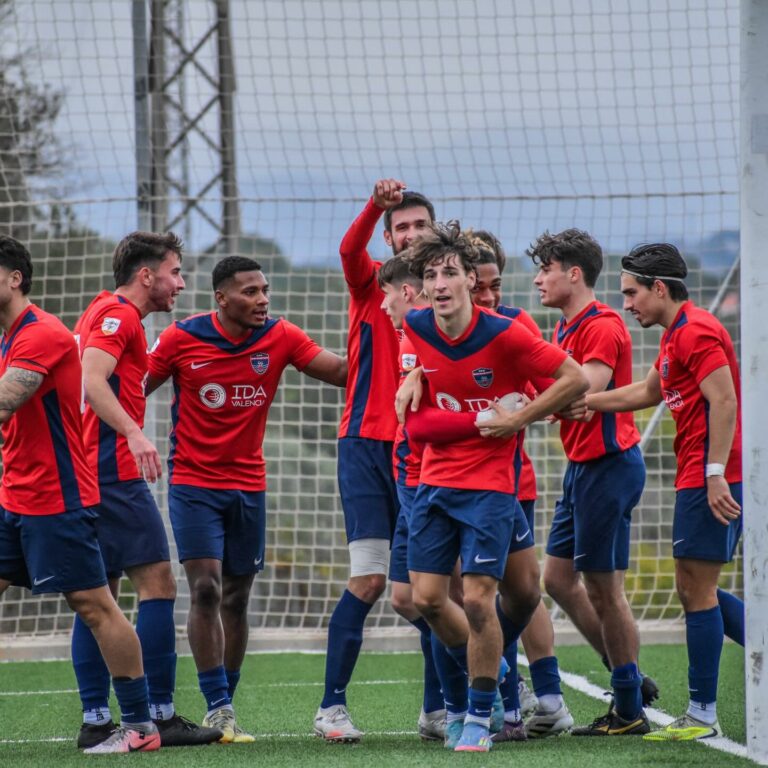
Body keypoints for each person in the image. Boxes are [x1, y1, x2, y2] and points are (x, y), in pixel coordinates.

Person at [400, 222, 588, 752]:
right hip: (433, 482)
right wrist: (416, 383)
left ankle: (478, 715)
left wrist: (519, 417)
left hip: (491, 486)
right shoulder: (416, 327)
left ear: (469, 281)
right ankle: (496, 685)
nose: (440, 282)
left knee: (485, 600)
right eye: (432, 273)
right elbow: (416, 418)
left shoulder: (506, 333)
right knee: (429, 601)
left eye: (450, 273)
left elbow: (573, 378)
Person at [146, 255, 347, 742]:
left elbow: (342, 372)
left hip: (249, 486)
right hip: (193, 484)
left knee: (236, 598)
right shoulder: (181, 338)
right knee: (207, 589)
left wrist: (392, 338)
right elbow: (132, 386)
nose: (262, 300)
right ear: (222, 298)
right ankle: (216, 707)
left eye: (264, 290)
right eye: (250, 292)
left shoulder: (280, 336)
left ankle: (226, 701)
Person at [0, 235, 160, 754]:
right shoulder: (8, 336)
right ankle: (107, 719)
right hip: (15, 497)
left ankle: (139, 726)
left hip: (57, 499)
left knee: (95, 605)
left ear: (14, 278)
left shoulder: (42, 334)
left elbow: (7, 400)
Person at [584, 243, 743, 741]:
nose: (627, 304)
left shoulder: (695, 330)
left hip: (712, 475)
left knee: (695, 590)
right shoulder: (677, 335)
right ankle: (704, 710)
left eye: (632, 293)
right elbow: (648, 393)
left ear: (659, 287)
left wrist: (715, 472)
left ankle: (701, 716)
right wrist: (583, 402)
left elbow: (725, 400)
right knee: (696, 587)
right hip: (699, 473)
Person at [71, 232, 220, 748]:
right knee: (157, 586)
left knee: (100, 596)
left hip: (88, 471)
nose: (180, 283)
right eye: (175, 272)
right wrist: (134, 433)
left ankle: (96, 719)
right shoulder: (120, 316)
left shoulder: (102, 309)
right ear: (147, 275)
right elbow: (92, 380)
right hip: (111, 473)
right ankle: (159, 712)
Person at [314, 178, 435, 743]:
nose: (410, 234)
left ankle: (439, 708)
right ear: (388, 238)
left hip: (428, 450)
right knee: (367, 580)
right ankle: (331, 709)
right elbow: (347, 251)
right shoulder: (374, 287)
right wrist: (374, 205)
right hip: (365, 447)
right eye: (400, 227)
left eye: (418, 225)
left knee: (433, 589)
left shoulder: (446, 294)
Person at [526, 228, 651, 736]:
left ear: (573, 274)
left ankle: (627, 707)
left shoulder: (601, 325)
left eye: (545, 270)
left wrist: (523, 410)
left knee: (603, 588)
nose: (537, 280)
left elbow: (584, 392)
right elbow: (560, 396)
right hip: (581, 469)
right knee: (555, 580)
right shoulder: (563, 330)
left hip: (610, 467)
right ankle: (631, 681)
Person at [468, 229, 573, 739]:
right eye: (479, 286)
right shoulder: (432, 330)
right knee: (455, 597)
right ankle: (488, 700)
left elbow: (545, 389)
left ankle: (540, 698)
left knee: (520, 593)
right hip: (450, 487)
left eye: (495, 285)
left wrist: (527, 409)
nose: (489, 296)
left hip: (511, 483)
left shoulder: (514, 323)